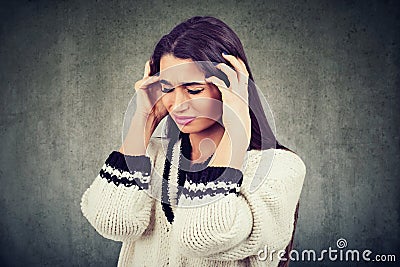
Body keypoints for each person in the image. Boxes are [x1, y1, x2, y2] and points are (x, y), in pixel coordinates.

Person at [80, 16, 306, 267]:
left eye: (194, 89)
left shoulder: (279, 168)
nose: (178, 105)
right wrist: (143, 119)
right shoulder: (152, 154)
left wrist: (236, 131)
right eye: (167, 89)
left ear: (230, 85)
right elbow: (111, 221)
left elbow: (203, 236)